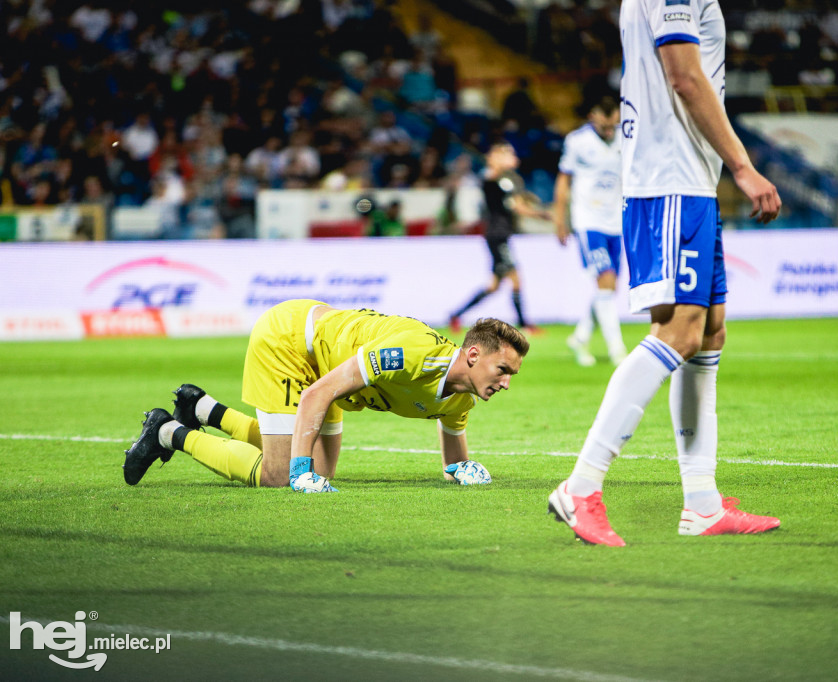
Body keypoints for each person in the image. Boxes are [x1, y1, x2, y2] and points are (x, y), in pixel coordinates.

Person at [548, 0, 783, 547]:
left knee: (708, 332)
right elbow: (683, 76)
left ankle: (701, 501)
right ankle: (581, 486)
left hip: (686, 179)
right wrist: (744, 168)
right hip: (670, 179)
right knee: (677, 332)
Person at [123, 302, 529, 491]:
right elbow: (318, 394)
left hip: (331, 368)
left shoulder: (460, 398)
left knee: (324, 470)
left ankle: (201, 408)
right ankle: (168, 431)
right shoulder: (411, 351)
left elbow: (454, 464)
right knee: (280, 476)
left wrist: (464, 470)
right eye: (503, 370)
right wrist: (299, 471)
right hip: (292, 343)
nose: (507, 382)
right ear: (473, 354)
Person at [553, 94, 629, 367]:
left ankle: (580, 337)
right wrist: (560, 220)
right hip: (588, 222)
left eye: (613, 125)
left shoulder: (626, 136)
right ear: (592, 117)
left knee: (608, 288)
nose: (610, 129)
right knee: (605, 280)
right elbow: (564, 181)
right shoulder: (577, 142)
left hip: (616, 223)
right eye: (605, 125)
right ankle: (617, 351)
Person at [449, 142, 549, 334]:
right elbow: (517, 206)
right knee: (516, 279)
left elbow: (516, 202)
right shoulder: (491, 178)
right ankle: (525, 325)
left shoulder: (508, 180)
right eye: (509, 155)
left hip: (500, 234)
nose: (514, 159)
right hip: (496, 235)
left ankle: (455, 315)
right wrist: (540, 214)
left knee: (493, 286)